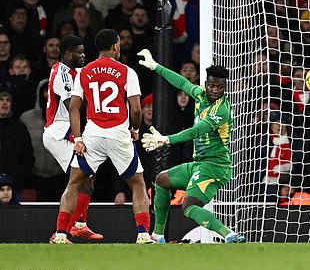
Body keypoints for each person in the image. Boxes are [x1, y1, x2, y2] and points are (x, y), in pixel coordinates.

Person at [136, 48, 246, 244]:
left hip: (215, 167)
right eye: (211, 85)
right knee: (161, 180)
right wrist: (155, 66)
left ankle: (229, 235)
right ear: (206, 84)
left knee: (188, 206)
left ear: (225, 88)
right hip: (200, 164)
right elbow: (182, 82)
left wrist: (166, 139)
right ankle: (158, 236)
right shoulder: (201, 94)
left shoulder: (221, 110)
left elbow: (196, 131)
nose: (215, 90)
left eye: (219, 87)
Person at [51, 29, 151, 244]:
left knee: (74, 184)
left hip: (92, 135)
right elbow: (135, 109)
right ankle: (143, 234)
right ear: (115, 46)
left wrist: (78, 139)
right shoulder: (127, 71)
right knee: (138, 184)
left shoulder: (84, 72)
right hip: (118, 134)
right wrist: (135, 129)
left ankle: (60, 234)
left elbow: (74, 108)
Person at [43, 34, 103, 241]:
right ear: (68, 53)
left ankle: (78, 225)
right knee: (79, 179)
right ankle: (60, 234)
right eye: (80, 51)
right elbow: (73, 107)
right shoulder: (62, 74)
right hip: (58, 133)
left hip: (69, 132)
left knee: (87, 177)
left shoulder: (75, 71)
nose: (83, 55)